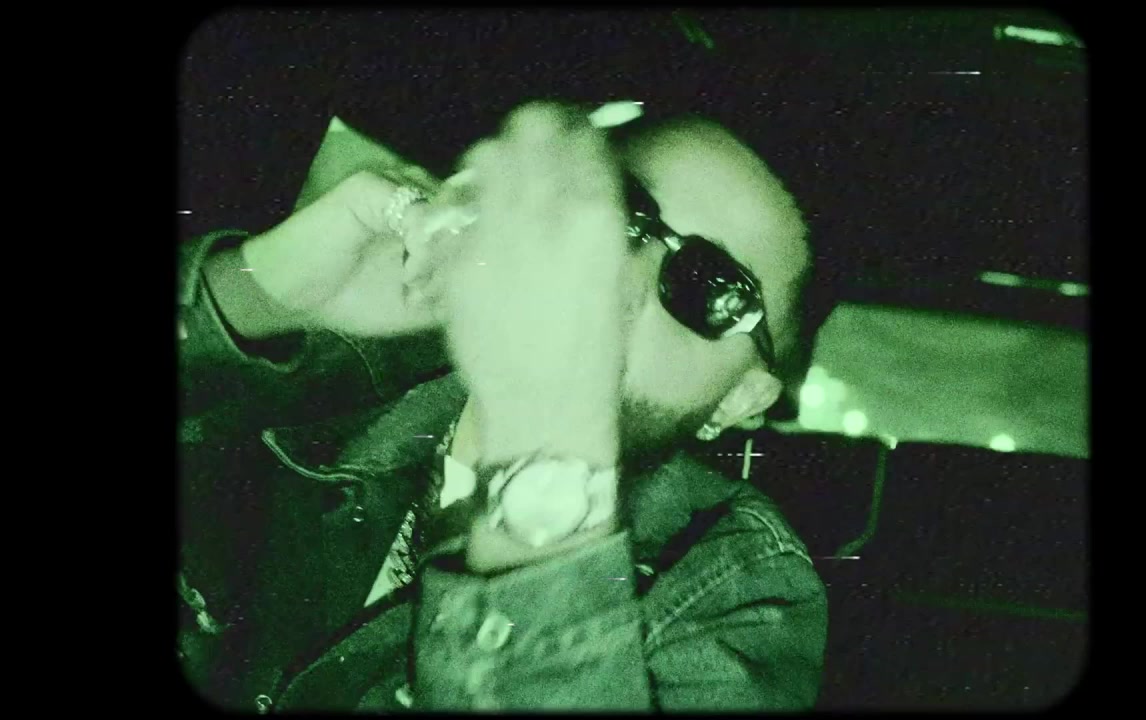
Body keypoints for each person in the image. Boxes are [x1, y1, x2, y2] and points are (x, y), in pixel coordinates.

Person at [179, 99, 836, 711]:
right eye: (620, 211)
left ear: (741, 397)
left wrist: (545, 440)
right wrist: (253, 293)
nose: (617, 274)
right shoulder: (372, 359)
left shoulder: (741, 589)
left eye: (711, 288)